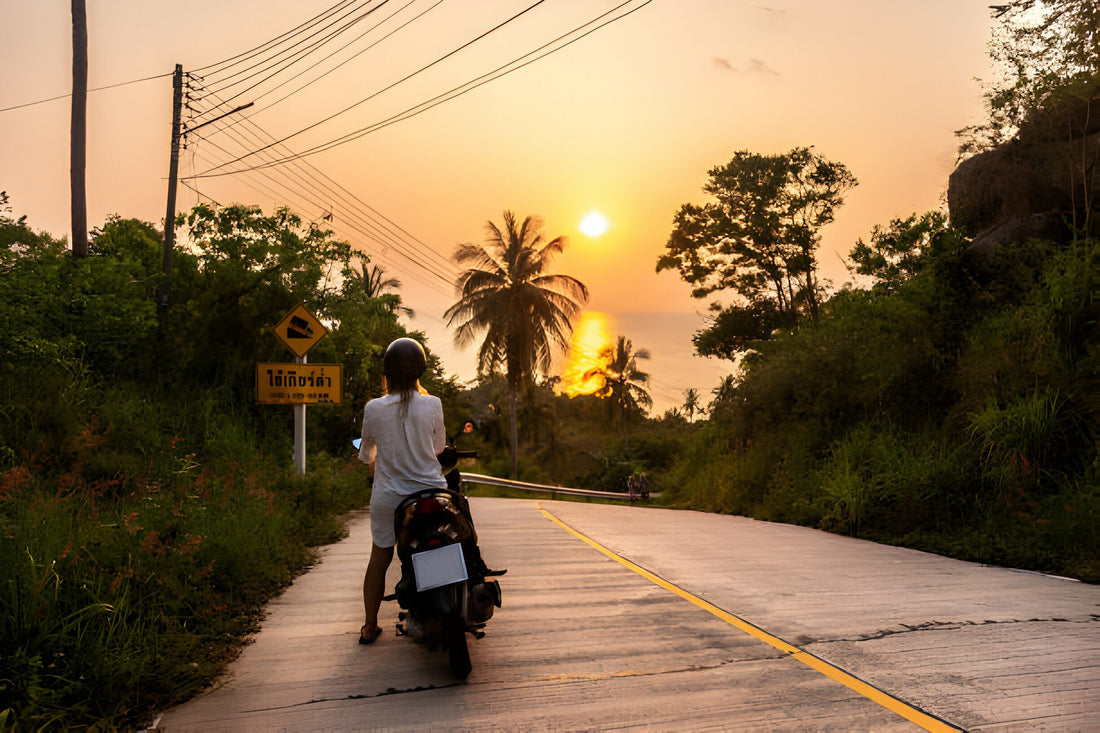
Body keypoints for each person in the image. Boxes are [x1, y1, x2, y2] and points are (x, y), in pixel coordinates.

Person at [357, 337, 447, 645]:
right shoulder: (433, 403)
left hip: (389, 498)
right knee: (454, 537)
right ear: (420, 370)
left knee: (380, 557)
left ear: (388, 372)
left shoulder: (373, 408)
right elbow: (438, 447)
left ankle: (369, 627)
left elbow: (366, 455)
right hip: (430, 493)